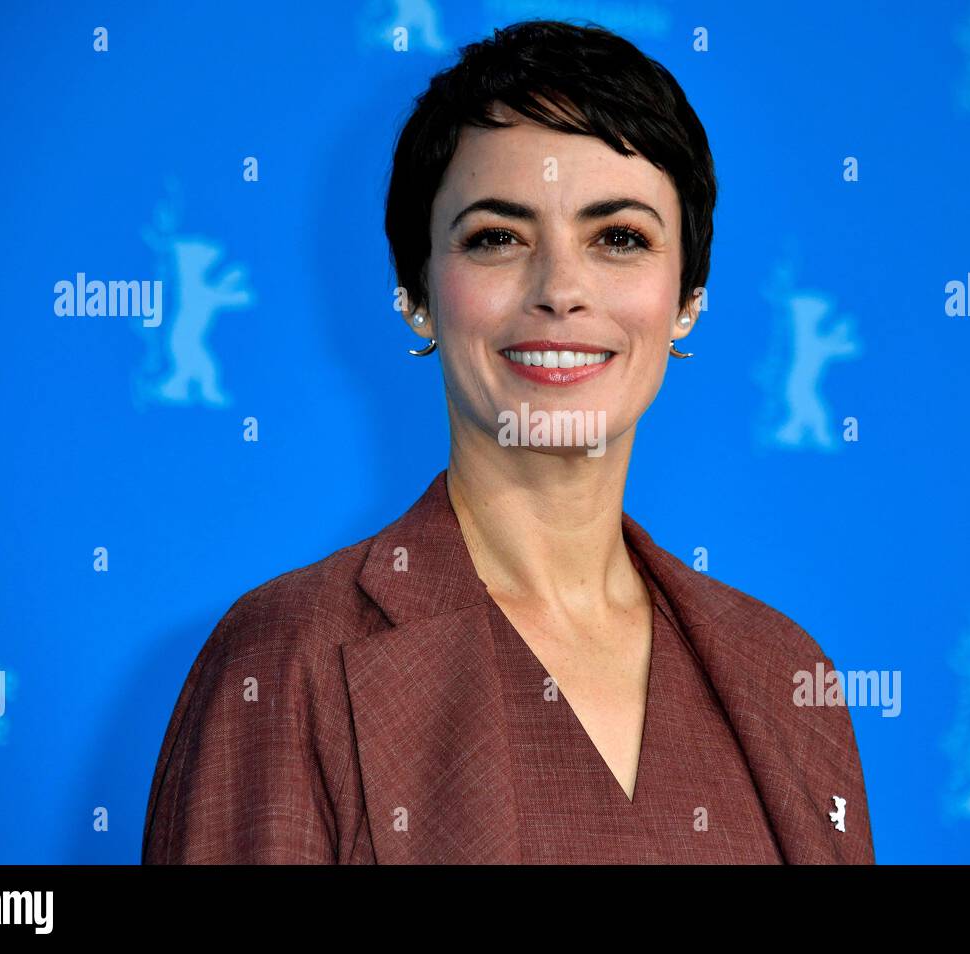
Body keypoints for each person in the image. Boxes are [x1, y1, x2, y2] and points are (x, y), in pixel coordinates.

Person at [142, 18, 875, 865]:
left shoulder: (784, 674)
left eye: (620, 238)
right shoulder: (285, 659)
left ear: (686, 299)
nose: (561, 289)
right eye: (497, 237)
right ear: (417, 293)